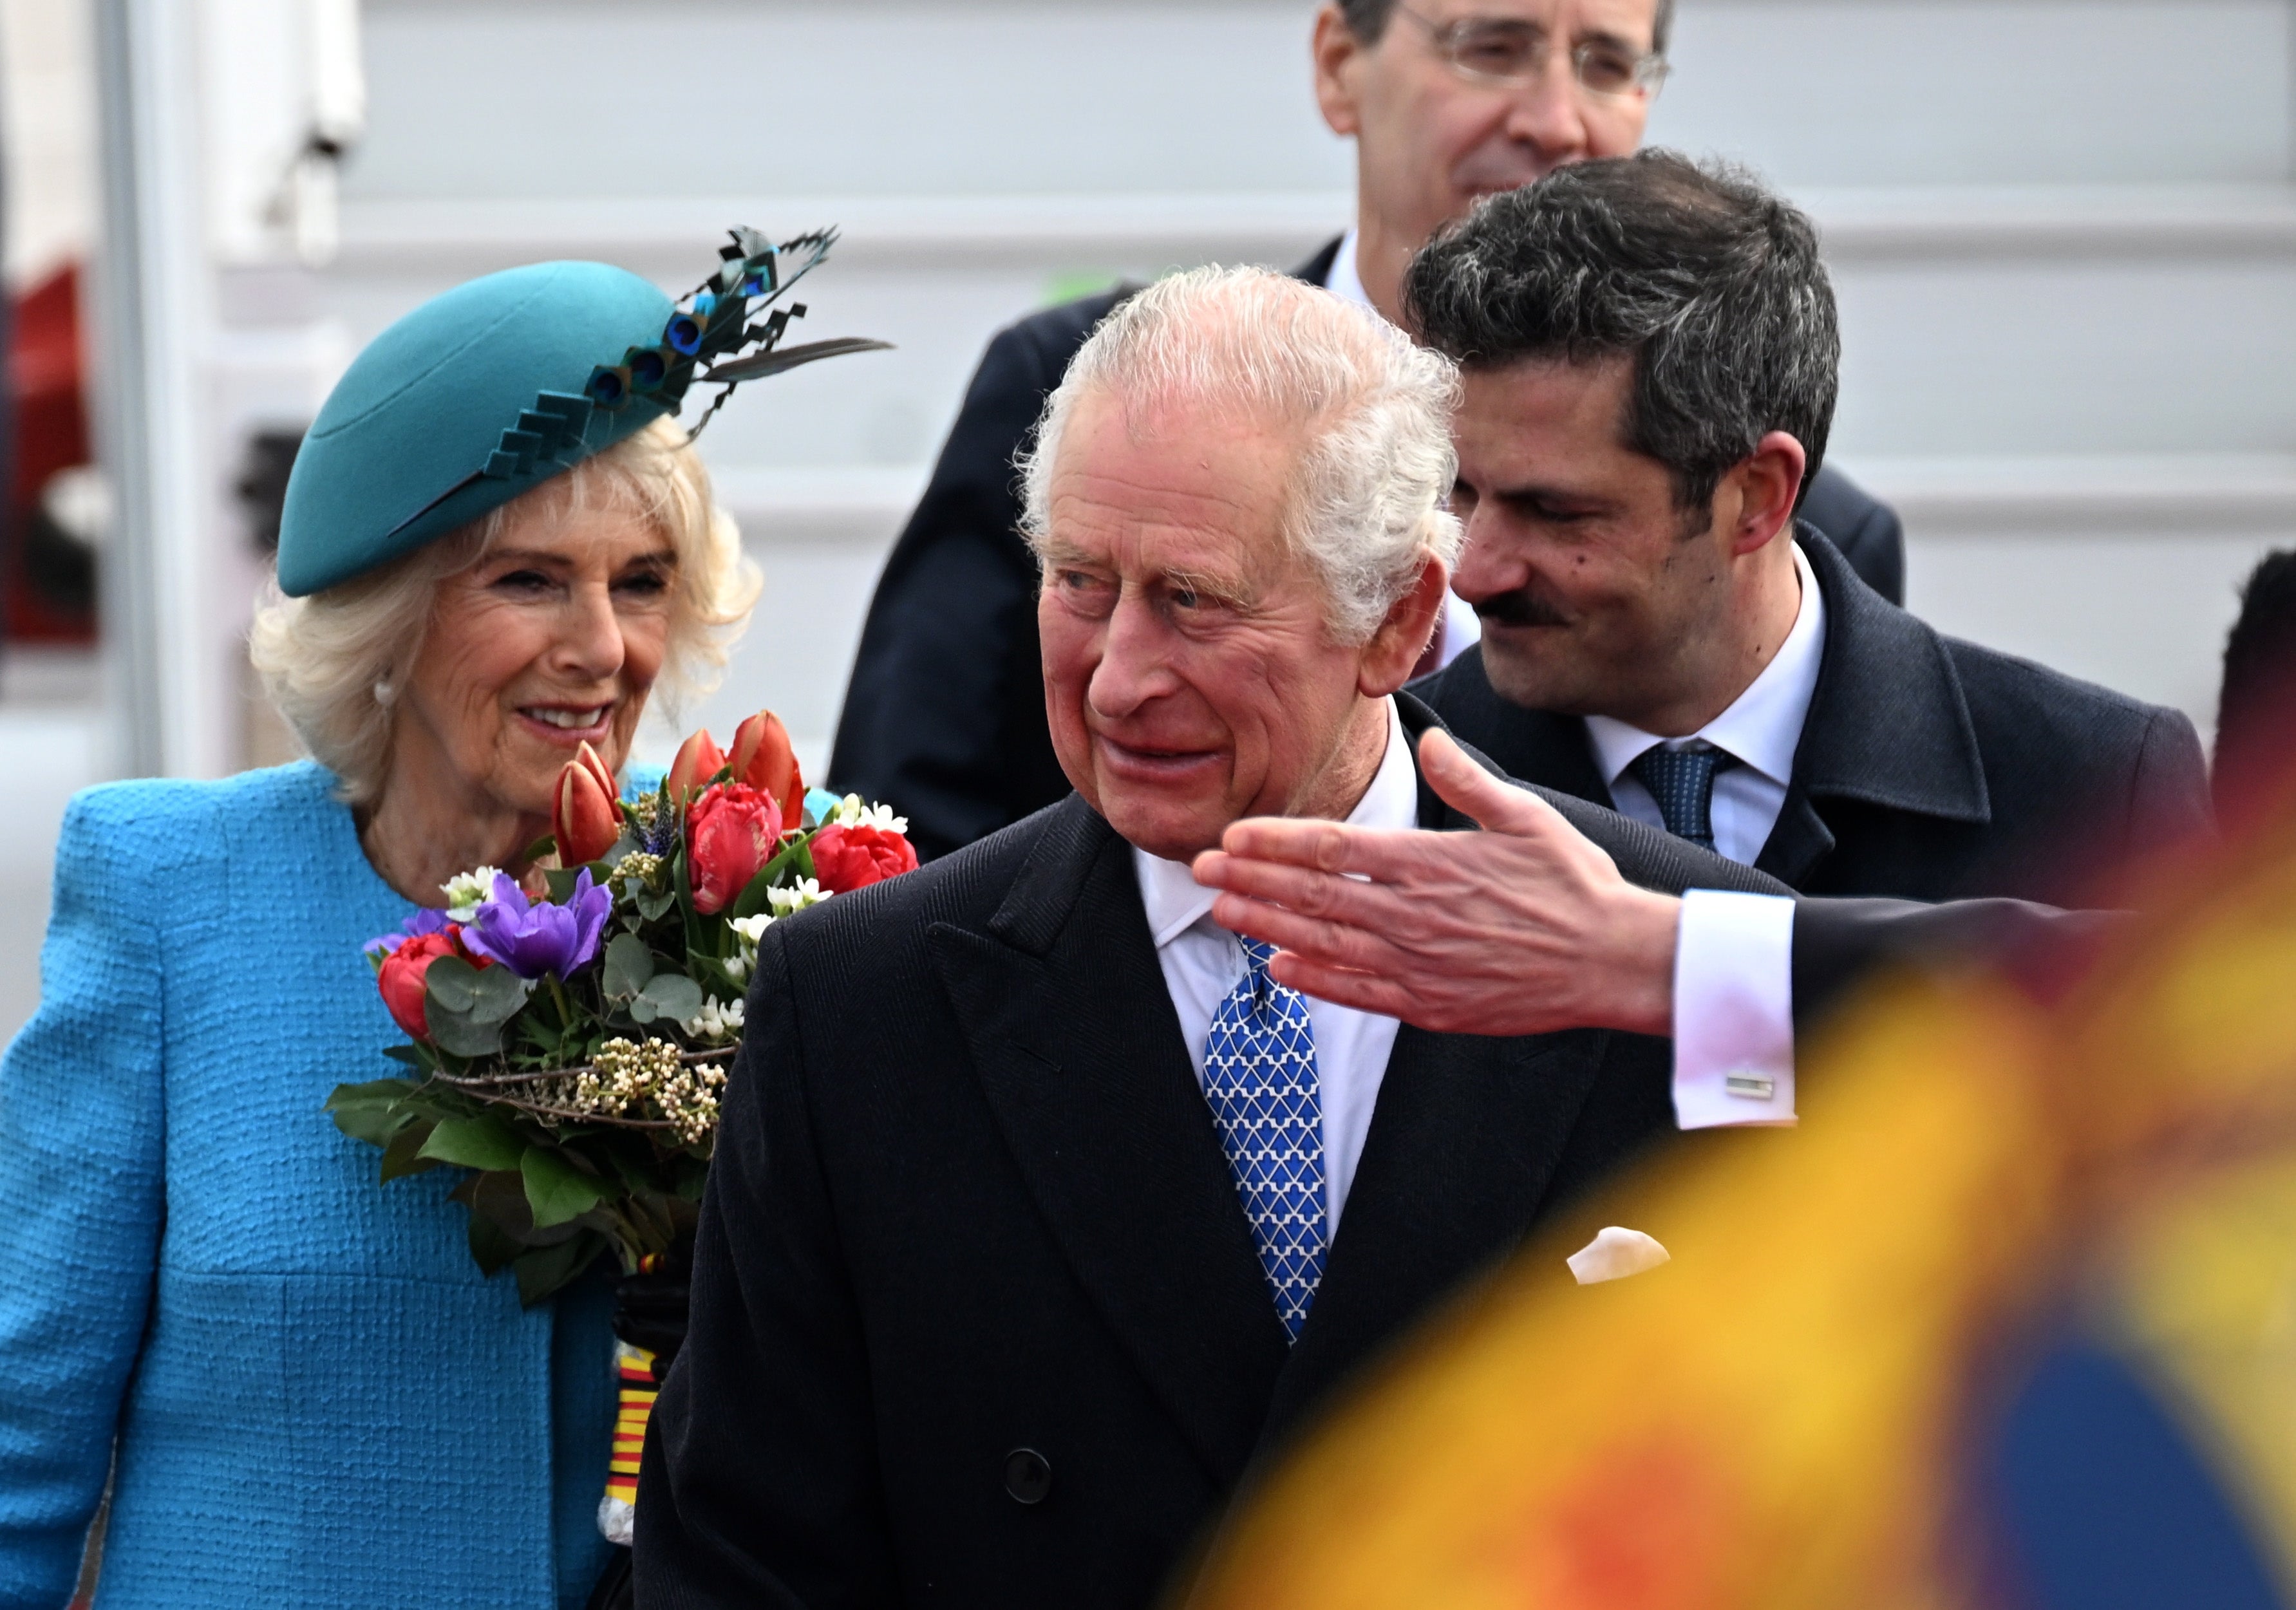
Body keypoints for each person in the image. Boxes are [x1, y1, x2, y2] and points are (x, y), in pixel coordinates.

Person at [634, 266, 1914, 1610]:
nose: (1120, 673)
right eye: (1080, 580)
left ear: (1401, 619)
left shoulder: (1690, 969)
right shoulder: (862, 1008)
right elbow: (741, 1568)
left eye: (1194, 598)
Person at [0, 256, 788, 1608]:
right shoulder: (173, 891)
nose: (602, 646)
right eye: (532, 580)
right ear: (392, 614)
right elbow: (19, 1433)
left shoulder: (754, 899)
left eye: (643, 581)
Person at [829, 0, 1907, 862]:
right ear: (1341, 63)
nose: (1558, 119)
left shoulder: (1793, 535)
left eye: (1608, 64)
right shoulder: (1084, 391)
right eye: (1494, 47)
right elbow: (900, 837)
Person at [1407, 153, 2212, 903]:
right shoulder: (1383, 790)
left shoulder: (2097, 799)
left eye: (1556, 512)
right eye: (1460, 494)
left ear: (1757, 495)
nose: (1474, 575)